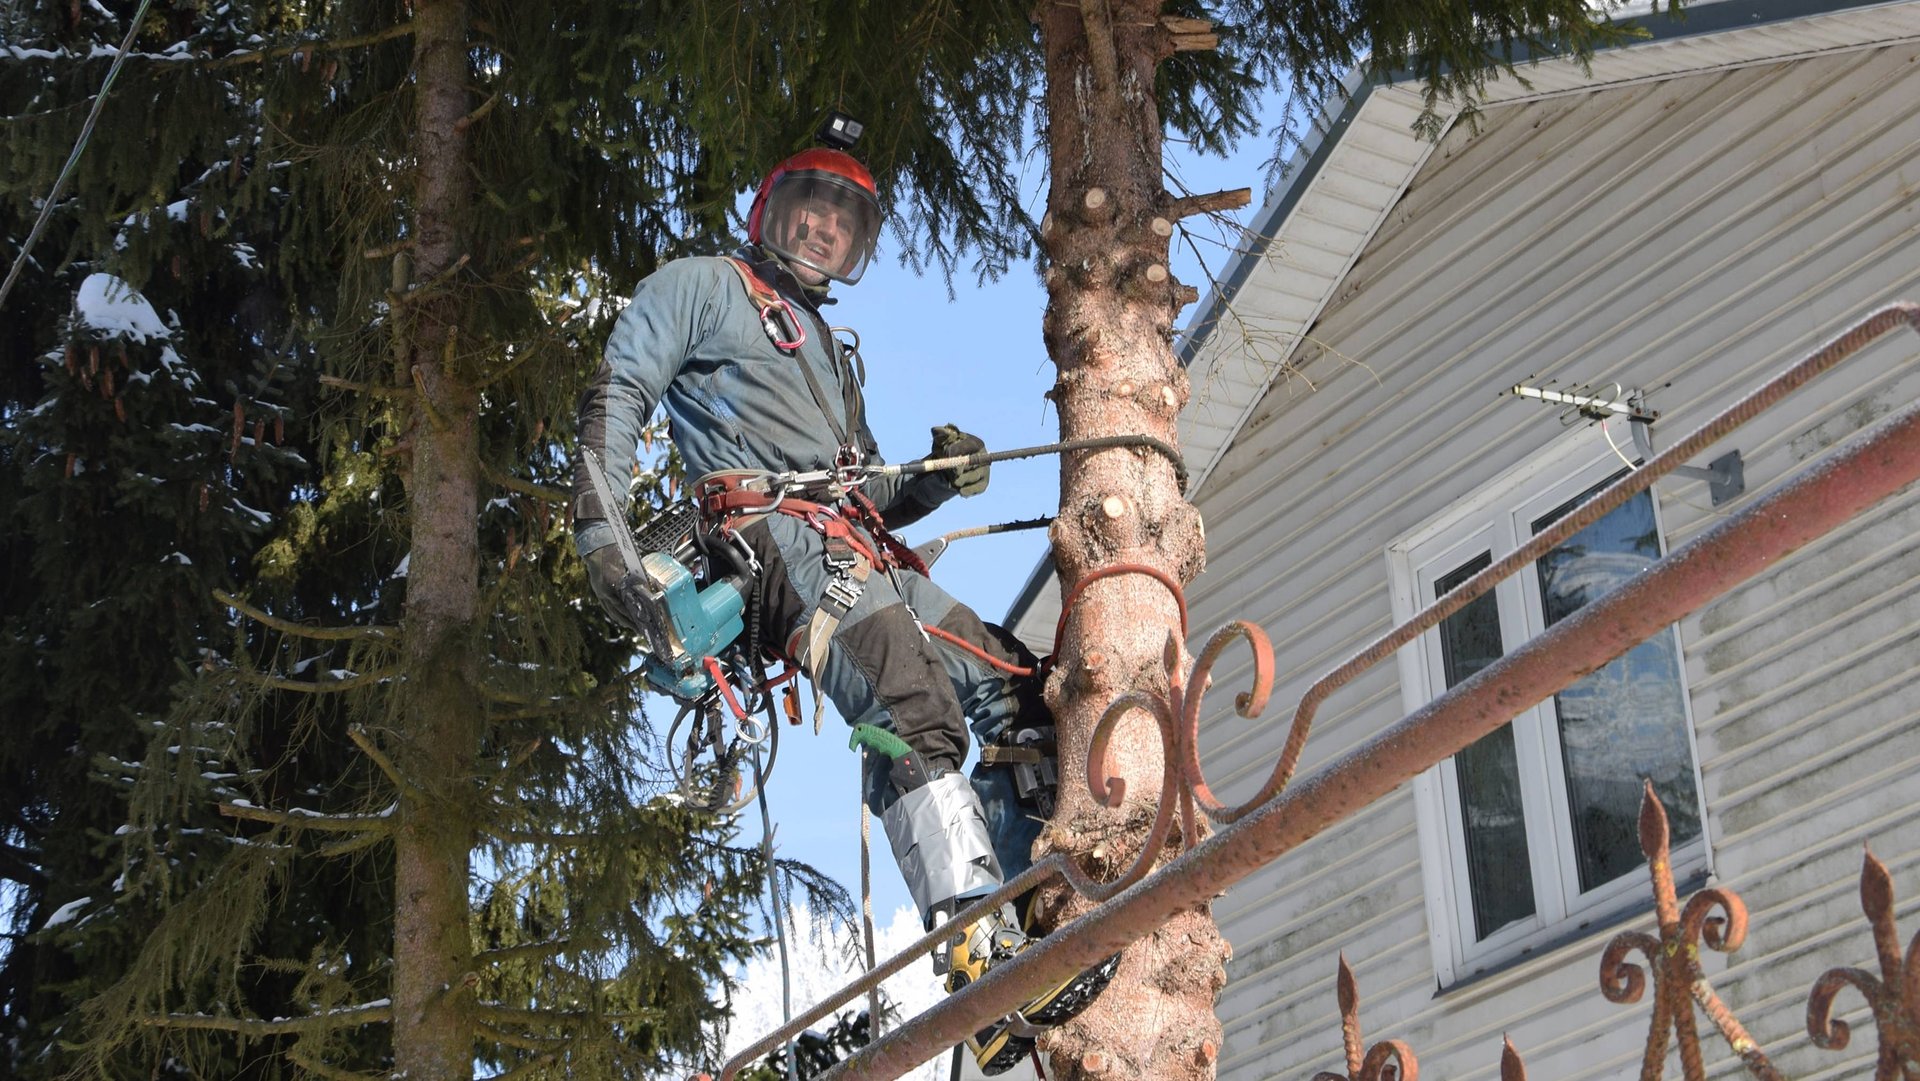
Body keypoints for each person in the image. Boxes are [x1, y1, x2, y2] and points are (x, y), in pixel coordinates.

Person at [570, 143, 1109, 1074]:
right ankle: (978, 955)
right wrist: (603, 537)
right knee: (908, 706)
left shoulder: (824, 346)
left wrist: (932, 483)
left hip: (858, 546)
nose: (825, 228)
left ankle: (1026, 908)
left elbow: (860, 485)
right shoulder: (702, 287)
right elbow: (621, 389)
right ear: (768, 213)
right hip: (775, 542)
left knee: (1021, 684)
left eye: (844, 222)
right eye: (809, 209)